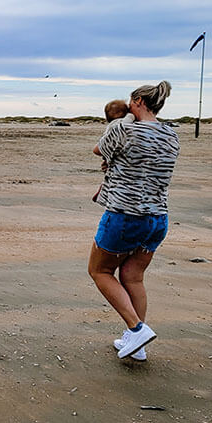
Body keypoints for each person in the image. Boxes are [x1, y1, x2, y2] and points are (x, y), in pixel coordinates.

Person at [87, 81, 180, 361]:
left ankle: (137, 329)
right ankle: (136, 345)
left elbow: (98, 149)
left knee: (100, 271)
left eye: (131, 102)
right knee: (133, 277)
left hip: (125, 216)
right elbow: (142, 165)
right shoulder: (171, 134)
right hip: (158, 219)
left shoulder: (123, 129)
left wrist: (125, 118)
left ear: (139, 101)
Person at [92, 99, 136, 202]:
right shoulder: (121, 123)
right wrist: (131, 115)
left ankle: (104, 188)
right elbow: (128, 121)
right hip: (114, 149)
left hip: (108, 150)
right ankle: (104, 188)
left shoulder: (110, 125)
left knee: (109, 169)